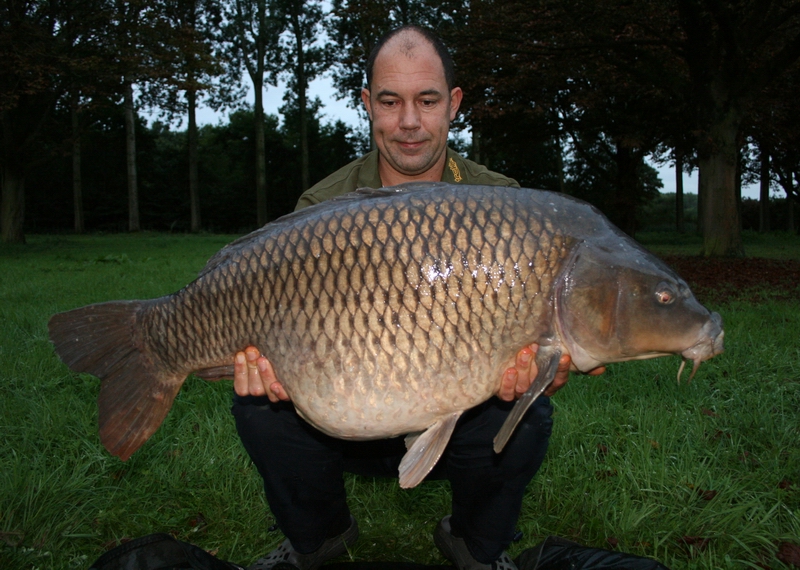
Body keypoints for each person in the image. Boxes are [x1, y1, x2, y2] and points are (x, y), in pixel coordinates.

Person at [230, 25, 602, 570]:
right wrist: (271, 370)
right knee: (258, 405)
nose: (409, 122)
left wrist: (544, 369)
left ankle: (474, 546)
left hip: (463, 412)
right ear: (367, 105)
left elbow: (547, 343)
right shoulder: (323, 204)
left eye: (426, 101)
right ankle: (320, 538)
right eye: (390, 101)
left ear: (452, 104)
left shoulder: (503, 205)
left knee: (529, 415)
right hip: (343, 414)